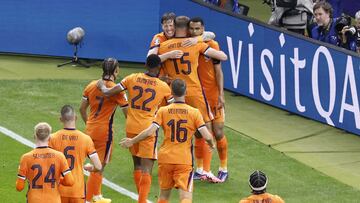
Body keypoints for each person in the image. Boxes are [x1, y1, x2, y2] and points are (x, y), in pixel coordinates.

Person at [120, 79, 215, 203]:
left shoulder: (163, 111)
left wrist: (132, 141)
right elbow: (206, 135)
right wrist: (211, 144)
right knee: (185, 197)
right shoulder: (194, 113)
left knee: (164, 196)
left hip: (165, 158)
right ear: (185, 92)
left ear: (172, 92)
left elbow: (149, 131)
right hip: (184, 160)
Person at [158, 15, 227, 182]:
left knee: (181, 130)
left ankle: (210, 168)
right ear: (187, 29)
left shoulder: (164, 46)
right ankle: (204, 170)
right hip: (196, 93)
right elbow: (223, 56)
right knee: (204, 131)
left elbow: (153, 62)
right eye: (192, 29)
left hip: (177, 93)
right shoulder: (197, 45)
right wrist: (198, 41)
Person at [97, 54, 174, 203]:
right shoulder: (163, 86)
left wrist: (101, 85)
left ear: (145, 65)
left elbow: (107, 92)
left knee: (137, 165)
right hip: (148, 129)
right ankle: (142, 201)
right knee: (147, 169)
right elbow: (171, 106)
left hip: (131, 127)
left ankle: (142, 199)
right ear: (159, 67)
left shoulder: (131, 78)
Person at [80, 58, 128, 203]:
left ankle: (97, 195)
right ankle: (88, 199)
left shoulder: (91, 85)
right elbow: (127, 113)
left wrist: (88, 122)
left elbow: (82, 108)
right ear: (116, 71)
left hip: (89, 129)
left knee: (96, 163)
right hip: (104, 133)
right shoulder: (117, 90)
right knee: (99, 166)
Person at [188, 17, 229, 182]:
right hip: (198, 97)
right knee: (199, 133)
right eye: (192, 29)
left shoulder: (212, 45)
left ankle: (223, 168)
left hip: (212, 96)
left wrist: (221, 94)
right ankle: (200, 169)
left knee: (217, 132)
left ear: (202, 29)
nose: (194, 32)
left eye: (197, 29)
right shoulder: (190, 45)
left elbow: (218, 71)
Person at [49, 105, 103, 203]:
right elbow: (99, 166)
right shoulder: (86, 139)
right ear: (76, 118)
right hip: (77, 191)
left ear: (61, 119)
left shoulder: (52, 138)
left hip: (58, 190)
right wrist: (91, 168)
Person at [16, 122, 74, 203]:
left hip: (34, 200)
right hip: (54, 200)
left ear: (35, 136)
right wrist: (56, 180)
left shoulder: (26, 158)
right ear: (50, 138)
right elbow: (70, 182)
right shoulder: (59, 156)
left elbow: (19, 187)